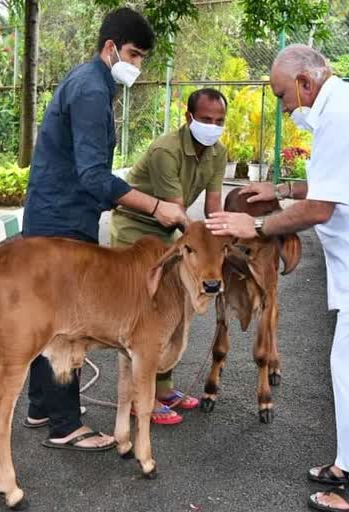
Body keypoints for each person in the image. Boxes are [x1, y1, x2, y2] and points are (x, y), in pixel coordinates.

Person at [205, 44, 349, 511]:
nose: (283, 106)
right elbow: (334, 183)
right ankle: (348, 465)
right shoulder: (345, 107)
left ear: (306, 84)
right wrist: (282, 189)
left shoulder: (341, 116)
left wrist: (253, 226)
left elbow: (321, 208)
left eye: (282, 95)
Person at [20, 7, 187, 452]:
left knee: (46, 315)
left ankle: (41, 406)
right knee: (67, 321)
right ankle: (65, 424)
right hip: (61, 222)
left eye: (143, 58)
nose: (137, 65)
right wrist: (157, 209)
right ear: (110, 47)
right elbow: (94, 176)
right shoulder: (92, 90)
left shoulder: (92, 83)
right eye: (133, 54)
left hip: (55, 215)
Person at [109, 87, 229, 425]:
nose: (213, 125)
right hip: (137, 227)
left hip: (175, 232)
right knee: (147, 312)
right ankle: (136, 396)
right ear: (189, 118)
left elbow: (213, 209)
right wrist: (202, 252)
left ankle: (163, 387)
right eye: (206, 119)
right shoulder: (167, 150)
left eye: (219, 120)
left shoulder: (218, 153)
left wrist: (222, 246)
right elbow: (176, 213)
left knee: (176, 309)